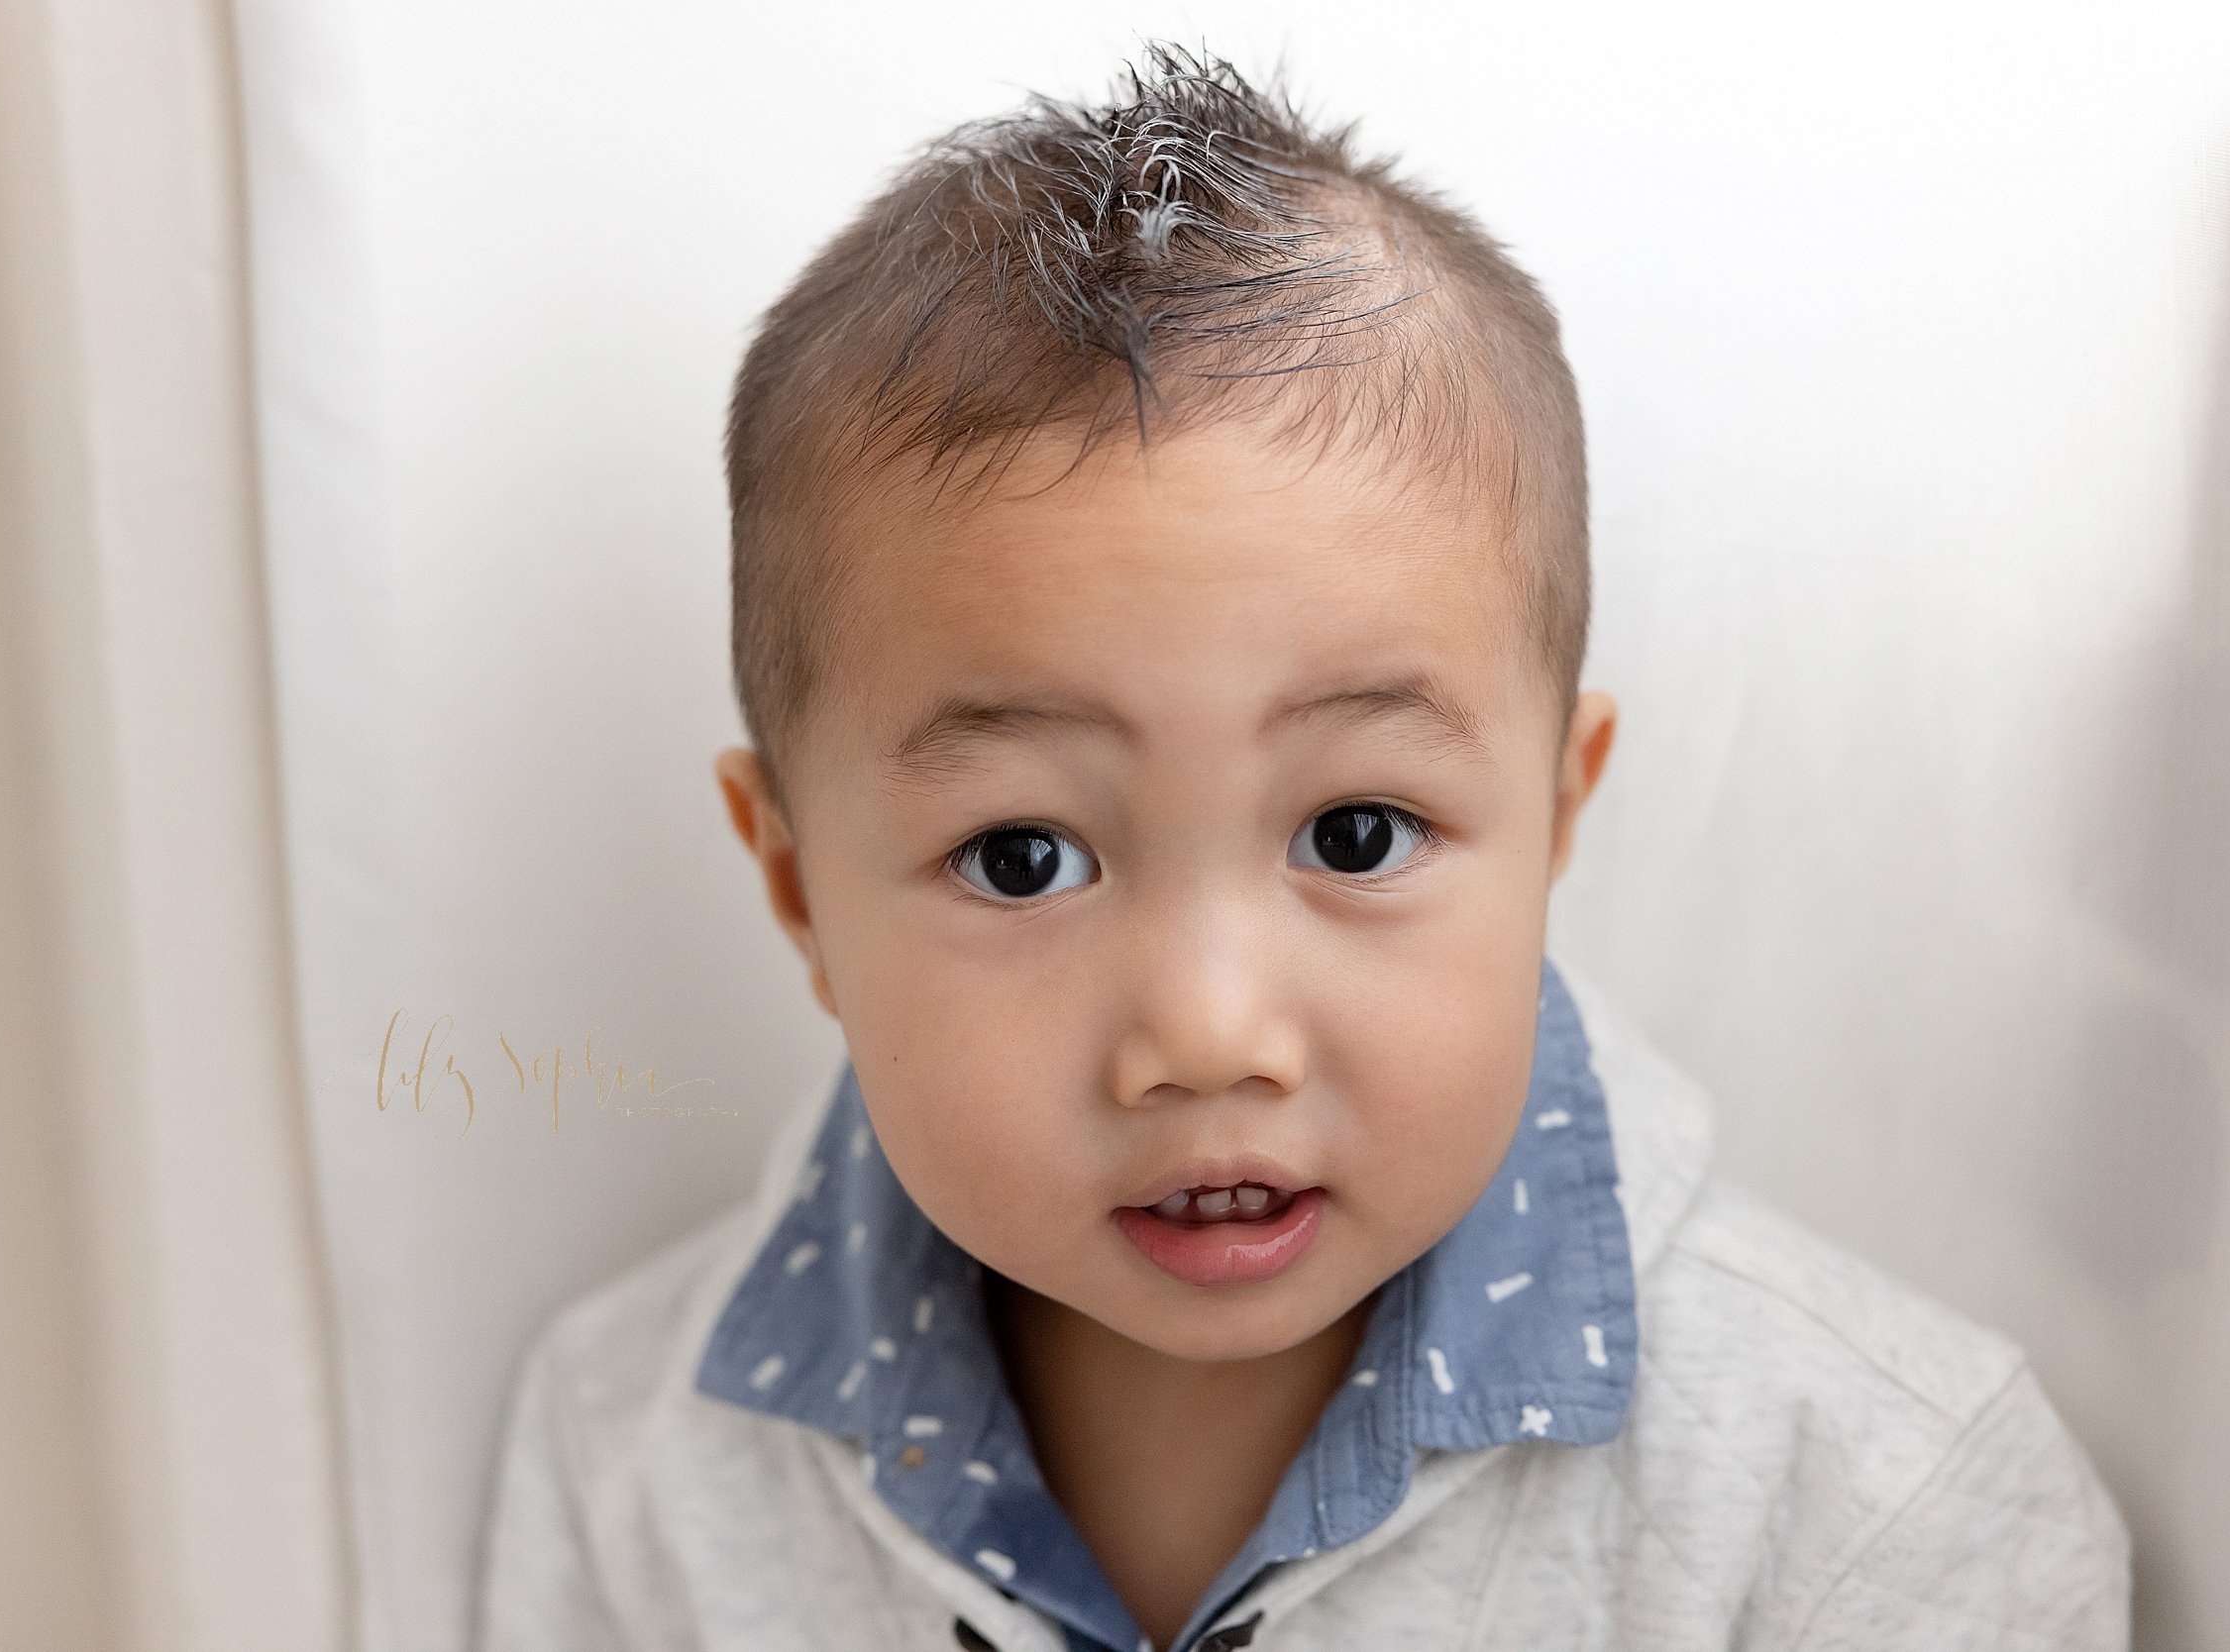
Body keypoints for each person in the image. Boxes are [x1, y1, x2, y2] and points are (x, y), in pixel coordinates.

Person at [478, 44, 2128, 1652]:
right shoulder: (637, 1461)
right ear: (796, 891)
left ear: (1558, 815)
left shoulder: (1870, 1503)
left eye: (1355, 832)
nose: (1207, 1034)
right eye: (1021, 859)